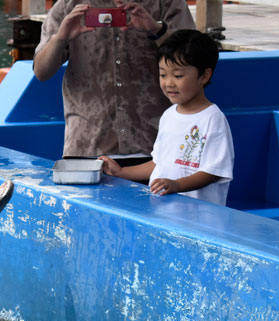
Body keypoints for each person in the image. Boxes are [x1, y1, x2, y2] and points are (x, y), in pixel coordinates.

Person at [33, 0, 195, 164]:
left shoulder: (167, 3)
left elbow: (194, 61)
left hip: (157, 145)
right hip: (86, 147)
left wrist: (156, 30)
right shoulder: (67, 6)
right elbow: (41, 72)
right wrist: (60, 38)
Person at [99, 29, 234, 206]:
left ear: (205, 75)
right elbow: (159, 164)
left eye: (178, 75)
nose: (169, 83)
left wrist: (177, 185)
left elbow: (213, 170)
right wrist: (121, 172)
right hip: (165, 215)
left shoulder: (212, 118)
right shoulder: (169, 115)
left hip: (200, 221)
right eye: (163, 74)